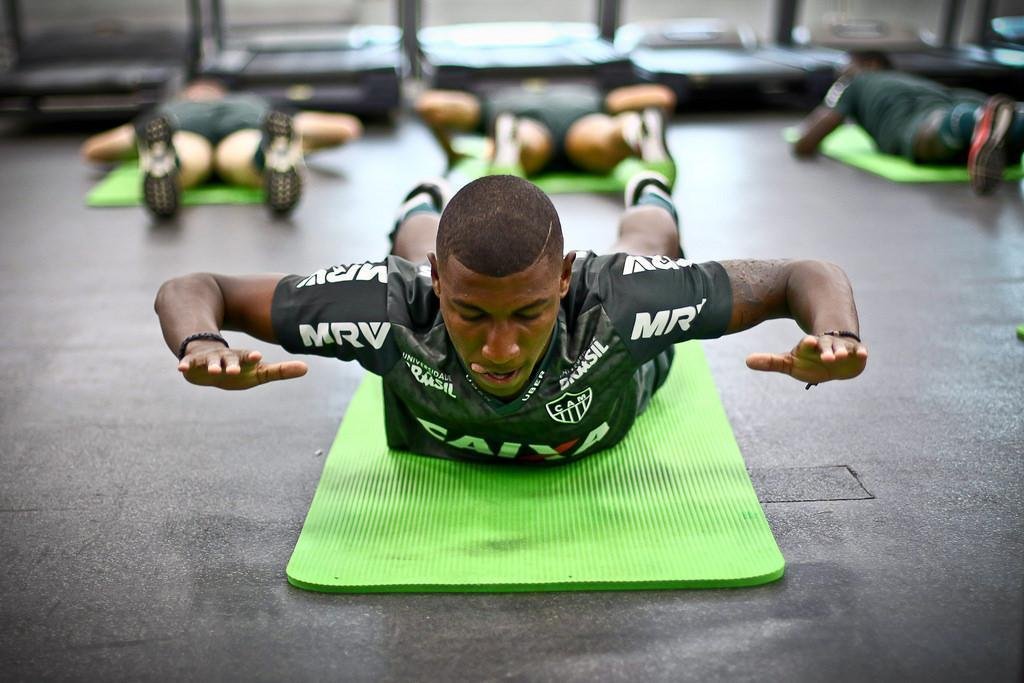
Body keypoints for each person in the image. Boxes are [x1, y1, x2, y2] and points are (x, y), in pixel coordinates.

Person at [154, 171, 868, 465]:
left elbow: (803, 275)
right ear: (439, 292)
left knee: (645, 245)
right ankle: (420, 205)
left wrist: (835, 334)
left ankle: (650, 185)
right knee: (415, 251)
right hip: (424, 272)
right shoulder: (389, 308)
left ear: (564, 279)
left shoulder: (618, 302)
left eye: (528, 313)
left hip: (629, 366)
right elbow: (195, 285)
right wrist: (202, 340)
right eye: (469, 315)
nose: (500, 346)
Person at [81, 79, 363, 217]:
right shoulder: (250, 102)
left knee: (188, 156)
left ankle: (165, 162)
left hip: (183, 129)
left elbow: (92, 150)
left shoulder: (171, 109)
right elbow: (346, 129)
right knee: (243, 155)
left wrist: (136, 140)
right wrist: (302, 136)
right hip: (244, 127)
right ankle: (269, 158)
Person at [793, 50, 1024, 195]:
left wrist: (838, 90)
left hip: (923, 120)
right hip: (959, 98)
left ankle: (971, 122)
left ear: (871, 64)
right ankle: (1003, 124)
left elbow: (806, 142)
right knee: (977, 116)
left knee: (927, 125)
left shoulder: (857, 82)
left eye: (844, 67)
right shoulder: (914, 80)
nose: (840, 73)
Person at [414, 82, 677, 180]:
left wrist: (452, 155)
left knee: (526, 141)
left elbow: (429, 106)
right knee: (608, 136)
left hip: (516, 118)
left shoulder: (492, 100)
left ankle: (512, 138)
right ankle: (633, 129)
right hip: (582, 118)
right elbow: (662, 97)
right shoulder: (586, 92)